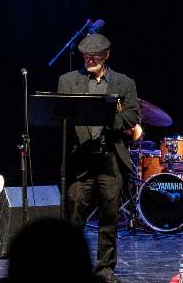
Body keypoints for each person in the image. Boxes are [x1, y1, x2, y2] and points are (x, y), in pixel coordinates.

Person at [57, 33, 141, 283]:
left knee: (110, 216)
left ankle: (105, 269)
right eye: (85, 56)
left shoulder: (124, 82)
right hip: (80, 158)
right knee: (74, 215)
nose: (89, 60)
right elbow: (63, 116)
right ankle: (71, 266)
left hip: (110, 157)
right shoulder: (68, 80)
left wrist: (106, 116)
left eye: (94, 56)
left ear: (106, 55)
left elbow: (132, 117)